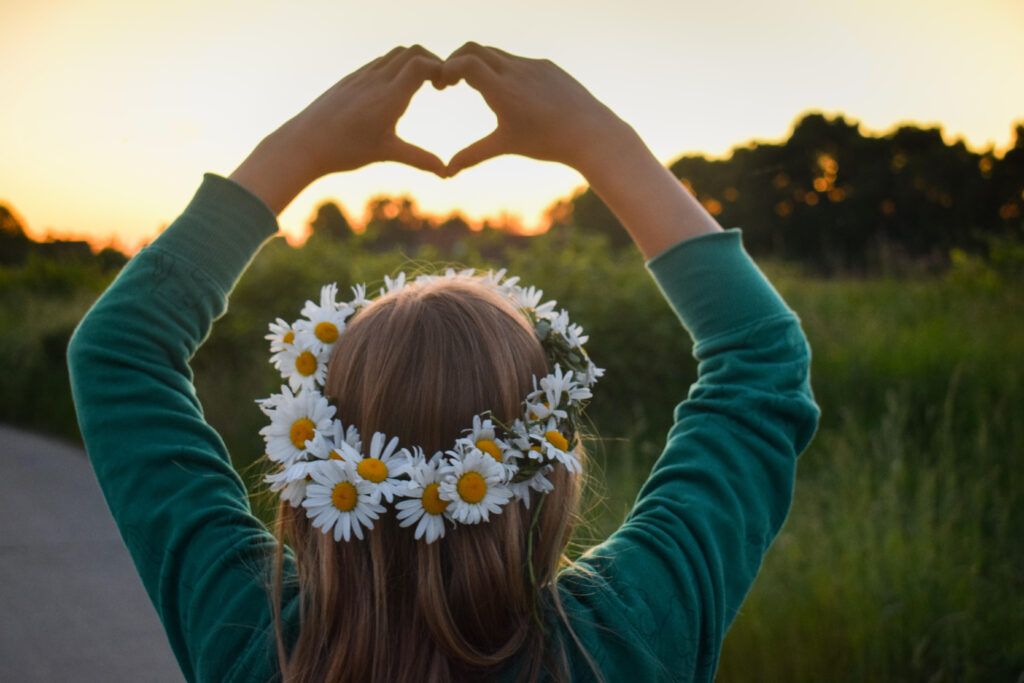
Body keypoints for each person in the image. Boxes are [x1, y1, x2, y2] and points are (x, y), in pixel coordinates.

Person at [67, 43, 820, 682]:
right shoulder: (622, 635)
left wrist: (299, 149)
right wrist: (598, 140)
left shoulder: (256, 636)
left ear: (320, 457)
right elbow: (761, 357)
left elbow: (119, 352)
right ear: (549, 463)